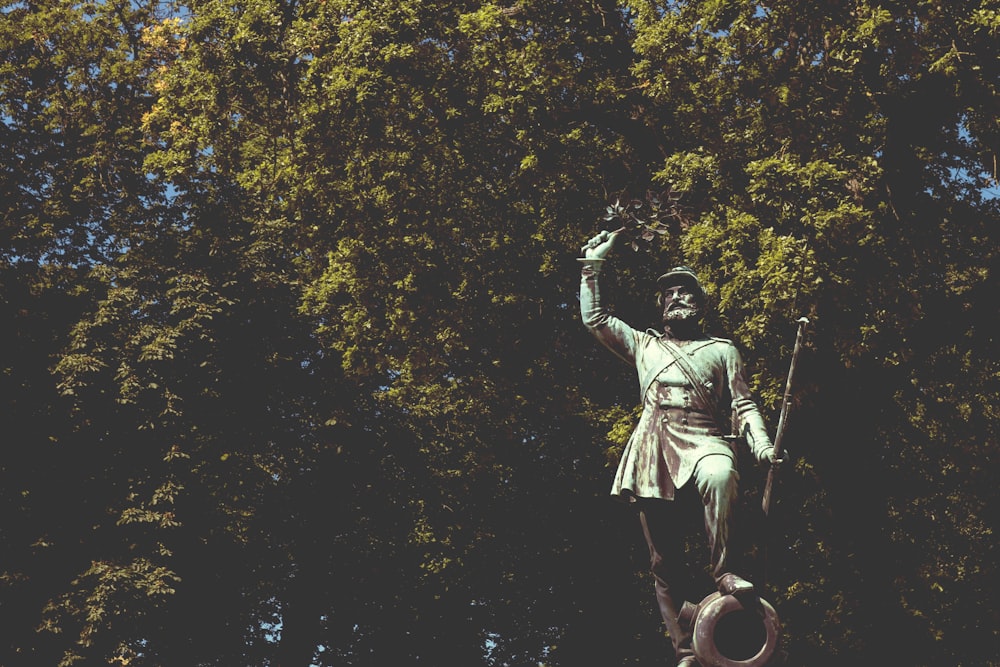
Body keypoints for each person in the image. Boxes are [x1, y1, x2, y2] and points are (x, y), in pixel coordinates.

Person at [579, 230, 778, 667]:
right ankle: (687, 649)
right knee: (663, 561)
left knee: (721, 474)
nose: (676, 297)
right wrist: (592, 265)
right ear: (660, 305)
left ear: (699, 303)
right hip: (653, 448)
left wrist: (761, 443)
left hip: (705, 437)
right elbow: (595, 319)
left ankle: (724, 571)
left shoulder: (722, 349)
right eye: (669, 292)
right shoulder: (644, 344)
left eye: (684, 291)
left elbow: (743, 404)